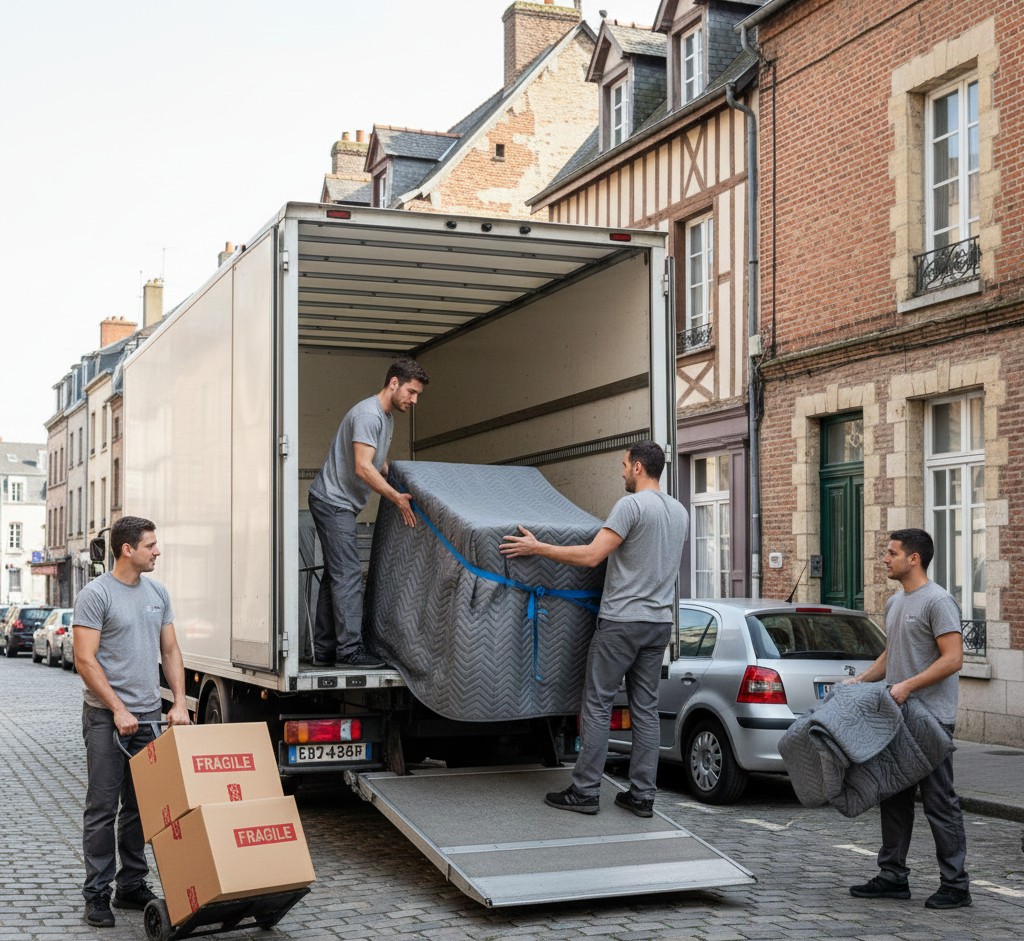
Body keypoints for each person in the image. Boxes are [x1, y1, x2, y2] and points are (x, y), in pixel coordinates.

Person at [500, 440, 687, 817]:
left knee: (598, 704)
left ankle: (585, 791)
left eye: (623, 465)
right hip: (658, 624)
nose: (621, 472)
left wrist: (538, 548)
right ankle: (642, 796)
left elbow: (591, 556)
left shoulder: (631, 506)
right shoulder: (680, 512)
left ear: (637, 467)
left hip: (621, 622)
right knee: (646, 710)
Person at [73, 515, 189, 928]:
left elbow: (171, 650)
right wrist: (118, 709)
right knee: (102, 808)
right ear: (128, 549)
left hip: (149, 719)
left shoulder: (158, 593)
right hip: (107, 719)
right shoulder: (96, 594)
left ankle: (131, 886)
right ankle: (97, 894)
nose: (157, 551)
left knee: (141, 808)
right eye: (150, 545)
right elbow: (84, 660)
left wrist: (179, 702)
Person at [846, 528, 971, 910]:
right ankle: (892, 876)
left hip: (930, 720)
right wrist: (861, 679)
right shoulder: (896, 602)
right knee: (893, 798)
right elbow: (892, 653)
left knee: (939, 802)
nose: (885, 558)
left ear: (913, 559)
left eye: (891, 553)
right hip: (896, 718)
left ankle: (956, 885)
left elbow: (953, 659)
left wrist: (908, 686)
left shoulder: (938, 601)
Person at [309, 357, 429, 668]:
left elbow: (378, 464)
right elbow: (363, 468)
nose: (414, 400)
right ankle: (349, 651)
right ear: (394, 383)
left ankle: (324, 650)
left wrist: (405, 479)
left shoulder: (386, 418)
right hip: (333, 502)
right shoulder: (369, 415)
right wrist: (395, 498)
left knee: (335, 575)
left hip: (339, 502)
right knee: (348, 574)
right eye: (412, 392)